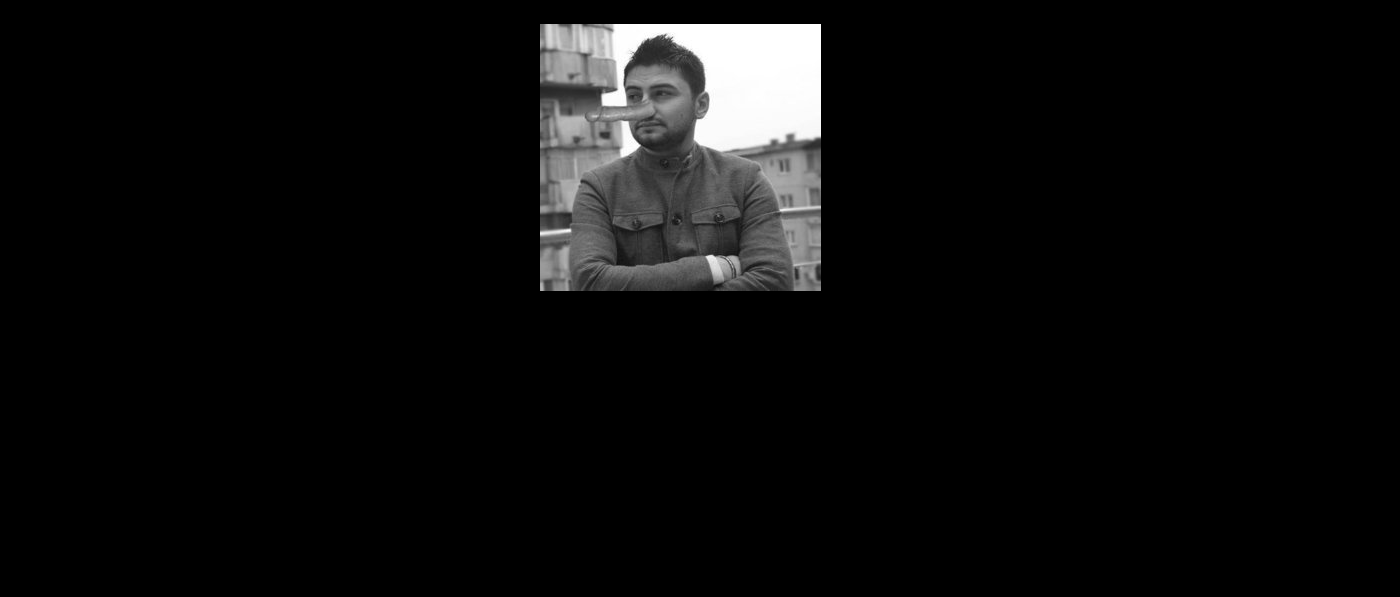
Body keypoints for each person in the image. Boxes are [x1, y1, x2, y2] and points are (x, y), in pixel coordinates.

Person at [569, 35, 793, 291]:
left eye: (662, 94)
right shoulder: (599, 186)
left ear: (701, 105)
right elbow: (590, 281)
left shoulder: (745, 179)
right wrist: (715, 267)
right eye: (634, 96)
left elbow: (774, 280)